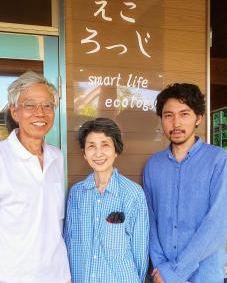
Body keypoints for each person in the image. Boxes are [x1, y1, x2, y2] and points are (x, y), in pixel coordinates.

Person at [143, 83, 227, 283]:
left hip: (205, 275)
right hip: (162, 275)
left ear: (199, 118)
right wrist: (161, 266)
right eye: (168, 115)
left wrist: (176, 272)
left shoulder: (219, 160)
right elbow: (149, 220)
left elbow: (219, 222)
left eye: (184, 114)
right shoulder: (153, 165)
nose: (176, 123)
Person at [0, 71, 71, 283]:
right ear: (15, 112)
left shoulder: (56, 157)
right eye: (30, 105)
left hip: (58, 274)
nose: (40, 113)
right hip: (13, 276)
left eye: (48, 106)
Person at [64, 117, 149, 283]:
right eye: (91, 146)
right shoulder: (76, 194)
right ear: (84, 154)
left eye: (105, 145)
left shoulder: (133, 193)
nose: (98, 153)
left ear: (116, 150)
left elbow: (140, 250)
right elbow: (70, 243)